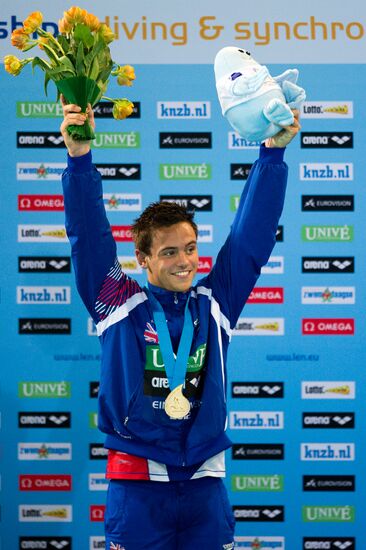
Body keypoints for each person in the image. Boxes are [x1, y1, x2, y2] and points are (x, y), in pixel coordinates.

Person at [60, 98, 299, 550]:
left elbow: (251, 235)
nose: (185, 261)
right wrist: (79, 160)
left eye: (190, 248)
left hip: (205, 484)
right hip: (137, 483)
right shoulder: (118, 301)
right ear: (143, 259)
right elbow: (87, 236)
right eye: (169, 252)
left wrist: (272, 154)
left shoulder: (214, 303)